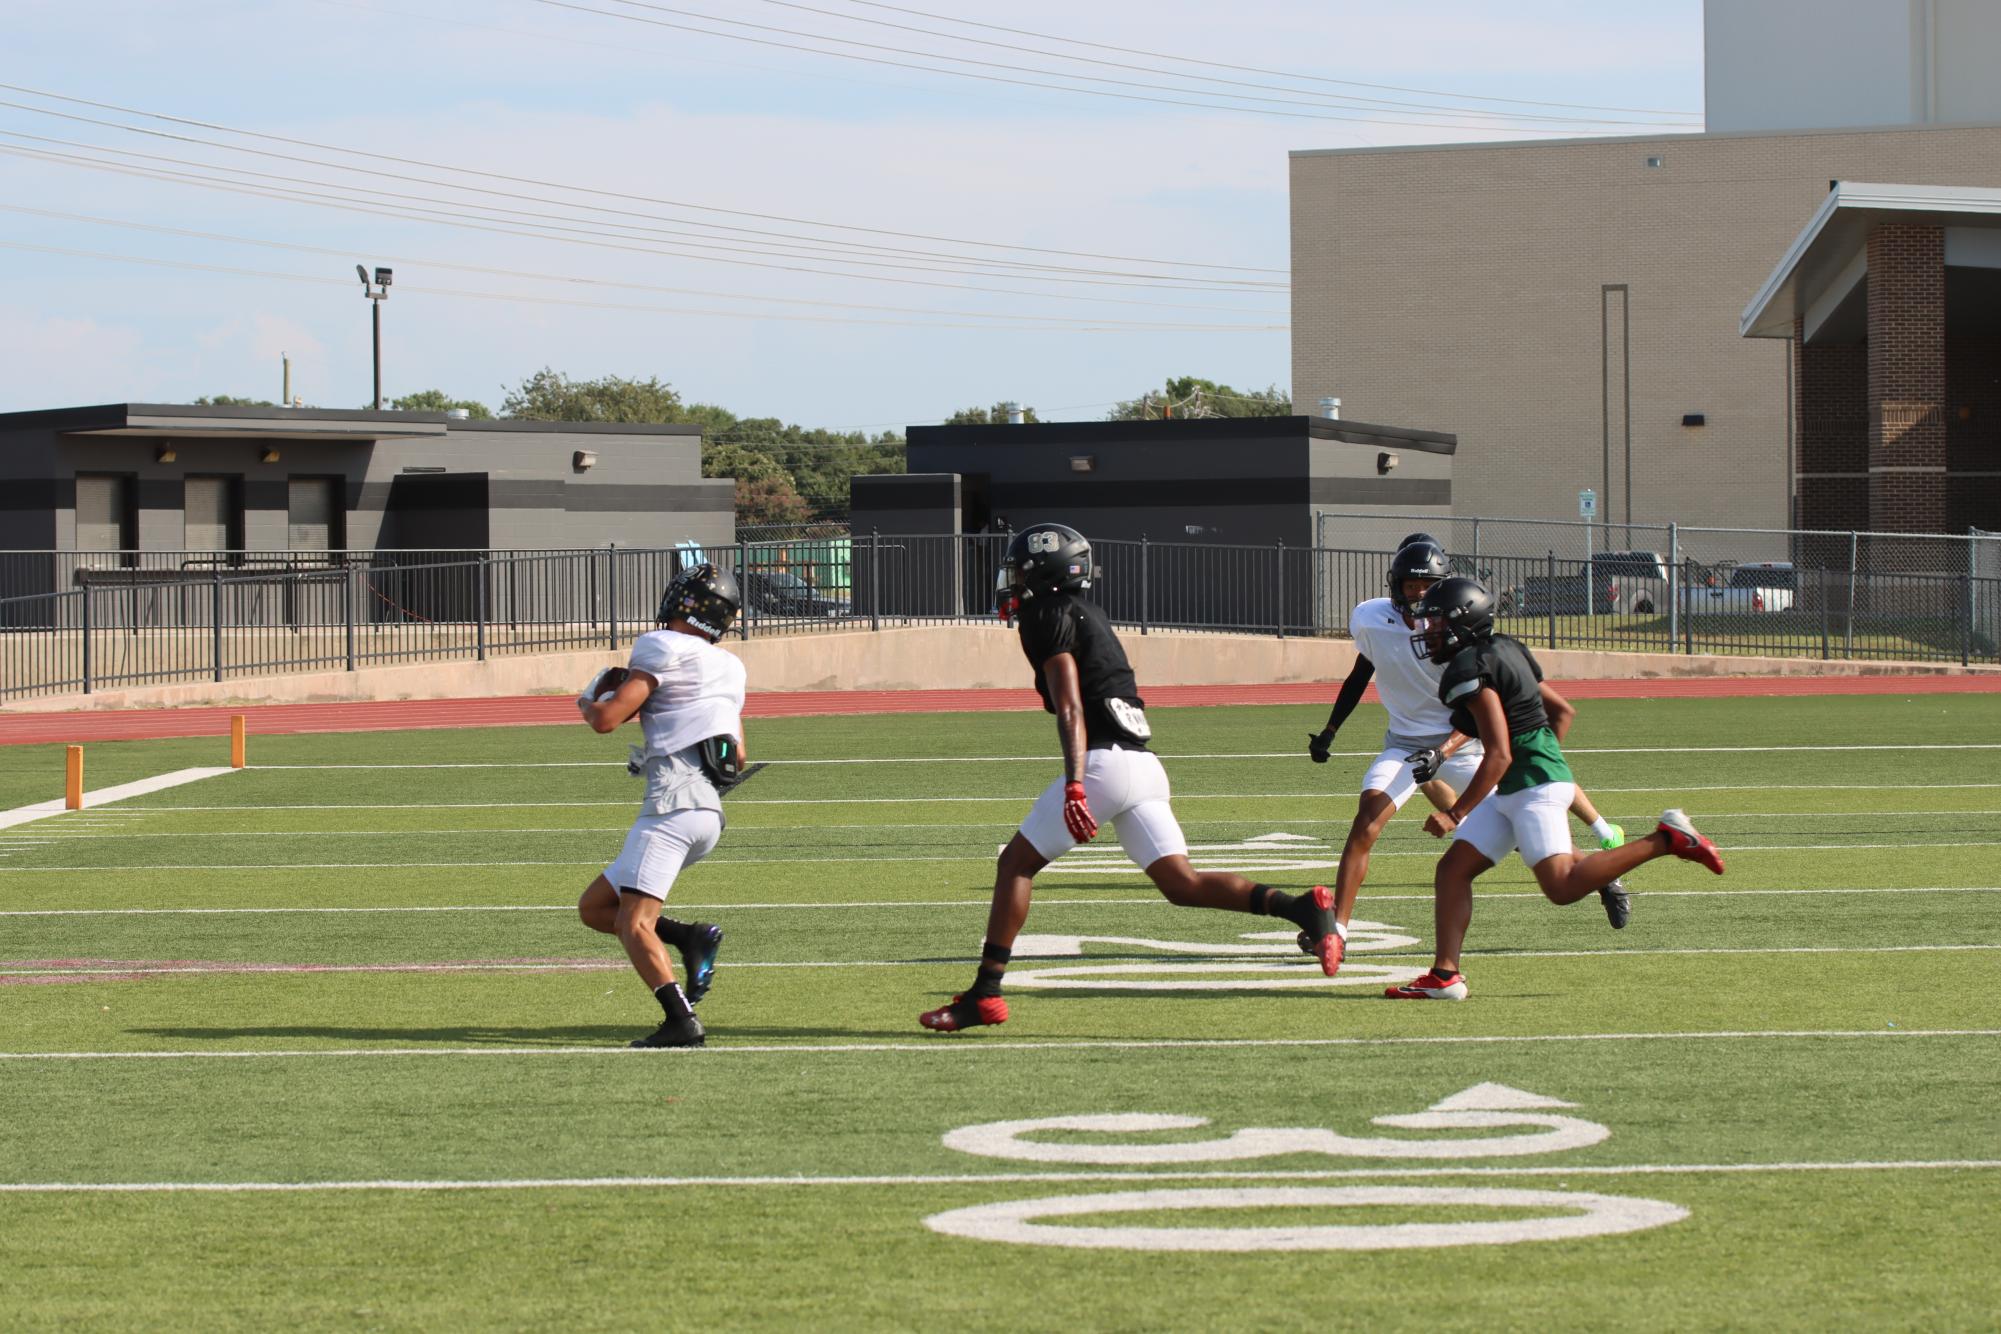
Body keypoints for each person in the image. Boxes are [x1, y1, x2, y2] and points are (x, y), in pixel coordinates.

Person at [919, 522, 1340, 1032]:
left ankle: (984, 994)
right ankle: (1302, 911)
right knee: (1180, 884)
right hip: (1142, 765)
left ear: (1045, 573)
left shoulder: (1046, 612)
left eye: (1021, 572)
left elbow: (1070, 704)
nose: (1014, 583)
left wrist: (1076, 782)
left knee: (1014, 865)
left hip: (1104, 763)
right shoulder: (1088, 613)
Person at [1383, 576, 1725, 1001]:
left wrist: (1456, 813)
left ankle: (1667, 839)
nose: (1427, 631)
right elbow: (1561, 711)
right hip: (1523, 784)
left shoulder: (1467, 668)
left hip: (1528, 784)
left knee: (1561, 887)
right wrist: (1545, 761)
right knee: (1453, 870)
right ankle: (1445, 976)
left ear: (1461, 620)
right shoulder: (1507, 648)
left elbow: (1500, 754)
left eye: (1435, 621)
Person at [1307, 541, 1633, 974]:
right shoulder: (1373, 618)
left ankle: (1602, 875)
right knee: (1367, 820)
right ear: (1395, 586)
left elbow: (1490, 716)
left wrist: (1442, 754)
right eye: (1412, 585)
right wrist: (1332, 727)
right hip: (1404, 744)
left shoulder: (1463, 649)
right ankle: (1339, 933)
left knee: (1529, 836)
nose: (1420, 597)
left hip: (1464, 746)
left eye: (1429, 588)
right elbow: (1362, 670)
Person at [575, 563, 744, 1048]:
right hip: (706, 812)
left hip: (671, 805)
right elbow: (738, 753)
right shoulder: (729, 665)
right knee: (595, 907)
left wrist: (588, 698)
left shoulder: (661, 644)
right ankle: (690, 937)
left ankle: (681, 1021)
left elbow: (607, 719)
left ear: (683, 601)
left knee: (633, 922)